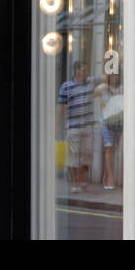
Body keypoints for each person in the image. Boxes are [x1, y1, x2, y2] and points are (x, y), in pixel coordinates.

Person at [57, 60, 97, 193]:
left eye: (86, 69)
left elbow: (105, 77)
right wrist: (56, 125)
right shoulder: (66, 86)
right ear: (77, 71)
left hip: (88, 127)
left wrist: (115, 58)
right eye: (83, 69)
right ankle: (74, 182)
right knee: (73, 157)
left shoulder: (90, 82)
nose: (86, 72)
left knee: (87, 156)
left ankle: (80, 178)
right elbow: (61, 107)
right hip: (73, 127)